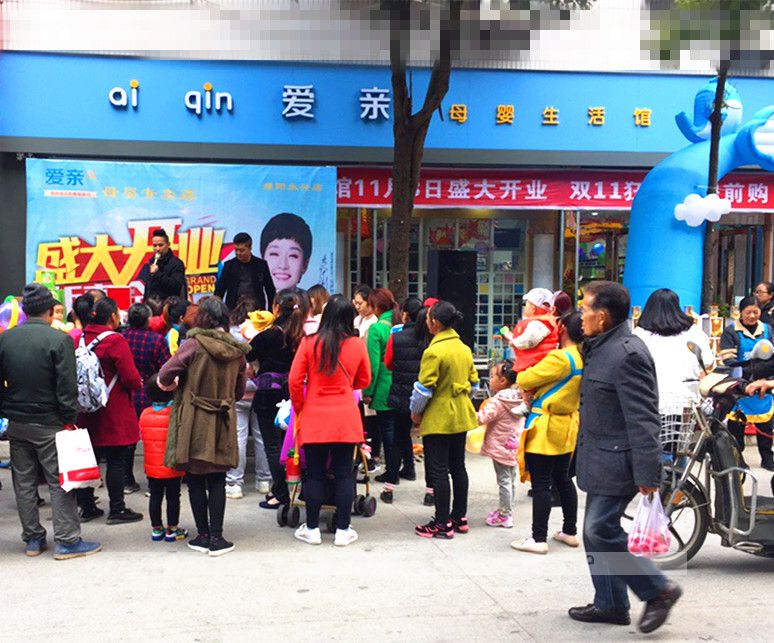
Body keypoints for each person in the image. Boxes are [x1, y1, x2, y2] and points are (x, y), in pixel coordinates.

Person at [569, 281, 681, 634]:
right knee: (594, 533)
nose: (580, 315)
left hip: (620, 460)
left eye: (585, 308)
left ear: (602, 317)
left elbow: (644, 418)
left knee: (599, 529)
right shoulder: (601, 347)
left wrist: (649, 473)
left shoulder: (628, 354)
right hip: (597, 457)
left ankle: (658, 590)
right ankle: (611, 604)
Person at [0, 283, 101, 560]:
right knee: (59, 481)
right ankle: (67, 540)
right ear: (49, 310)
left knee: (23, 482)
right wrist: (68, 418)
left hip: (17, 421)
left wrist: (6, 409)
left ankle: (33, 539)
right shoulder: (59, 340)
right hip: (50, 421)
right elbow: (66, 386)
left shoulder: (6, 339)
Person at [158, 298, 248, 557]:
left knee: (196, 477)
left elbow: (165, 374)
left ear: (202, 319)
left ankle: (203, 535)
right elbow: (239, 392)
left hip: (194, 419)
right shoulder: (238, 351)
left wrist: (177, 384)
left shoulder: (193, 345)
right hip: (223, 419)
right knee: (218, 478)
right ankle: (218, 537)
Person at [289, 295, 372, 546]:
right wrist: (345, 387)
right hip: (345, 417)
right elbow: (364, 379)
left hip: (314, 415)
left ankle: (312, 529)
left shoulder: (309, 343)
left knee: (314, 474)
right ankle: (343, 530)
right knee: (344, 474)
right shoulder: (357, 345)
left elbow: (294, 380)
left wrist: (300, 406)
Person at [511, 311, 584, 554]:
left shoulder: (560, 358)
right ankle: (570, 531)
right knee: (563, 479)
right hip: (566, 427)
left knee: (541, 483)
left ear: (562, 329)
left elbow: (525, 378)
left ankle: (538, 538)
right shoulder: (581, 356)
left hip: (545, 426)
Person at [411, 301, 479, 539]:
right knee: (458, 467)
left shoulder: (434, 351)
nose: (426, 321)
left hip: (439, 416)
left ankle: (441, 523)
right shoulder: (464, 348)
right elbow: (474, 384)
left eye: (428, 318)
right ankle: (459, 517)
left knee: (438, 469)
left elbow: (423, 389)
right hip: (461, 413)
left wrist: (415, 412)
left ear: (436, 323)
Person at [76, 297, 145, 525]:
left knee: (90, 459)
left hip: (85, 409)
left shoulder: (79, 338)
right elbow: (130, 377)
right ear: (113, 316)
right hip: (113, 409)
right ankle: (117, 509)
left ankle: (86, 507)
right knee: (116, 460)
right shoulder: (115, 341)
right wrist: (138, 383)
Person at [246, 289, 307, 509]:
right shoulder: (301, 335)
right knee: (290, 445)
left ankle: (280, 493)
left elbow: (247, 353)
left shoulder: (269, 335)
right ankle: (290, 488)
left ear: (276, 308)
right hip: (293, 393)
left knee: (273, 446)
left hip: (268, 394)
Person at [633, 288, 715, 414]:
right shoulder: (693, 332)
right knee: (683, 427)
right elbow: (707, 361)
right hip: (685, 401)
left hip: (648, 401)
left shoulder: (639, 334)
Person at [385, 298, 432, 504]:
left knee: (398, 440)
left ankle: (389, 487)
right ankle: (430, 492)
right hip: (428, 399)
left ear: (405, 314)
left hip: (402, 396)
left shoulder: (396, 338)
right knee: (430, 445)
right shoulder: (431, 339)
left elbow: (388, 364)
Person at [718, 295, 774, 471]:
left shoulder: (768, 330)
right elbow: (729, 362)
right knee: (736, 428)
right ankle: (738, 461)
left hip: (763, 385)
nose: (752, 316)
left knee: (766, 426)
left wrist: (767, 379)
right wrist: (747, 375)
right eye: (748, 312)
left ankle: (767, 459)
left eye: (755, 312)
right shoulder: (731, 332)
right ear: (740, 312)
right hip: (740, 386)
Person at [226, 296, 272, 499]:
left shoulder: (231, 333)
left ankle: (234, 483)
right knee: (262, 437)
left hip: (238, 389)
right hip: (261, 389)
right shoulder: (265, 332)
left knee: (238, 437)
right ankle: (264, 481)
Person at [123, 302, 172, 494]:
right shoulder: (157, 340)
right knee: (155, 441)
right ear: (148, 319)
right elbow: (166, 369)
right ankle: (154, 482)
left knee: (128, 441)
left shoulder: (121, 339)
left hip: (127, 395)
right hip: (152, 396)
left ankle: (127, 480)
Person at [139, 375, 187, 543]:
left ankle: (156, 529)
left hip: (152, 466)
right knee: (173, 497)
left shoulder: (145, 414)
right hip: (171, 465)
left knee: (155, 496)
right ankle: (172, 530)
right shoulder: (175, 413)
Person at [476, 360, 522, 529]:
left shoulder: (497, 401)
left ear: (502, 381)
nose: (490, 380)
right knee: (511, 479)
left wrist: (469, 414)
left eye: (492, 376)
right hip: (514, 444)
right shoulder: (520, 398)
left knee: (503, 480)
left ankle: (505, 515)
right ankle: (507, 509)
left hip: (500, 446)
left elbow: (482, 418)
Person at [362, 288, 398, 495]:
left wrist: (367, 390)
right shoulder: (399, 323)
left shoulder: (377, 329)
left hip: (384, 387)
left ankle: (391, 474)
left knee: (388, 433)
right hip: (402, 386)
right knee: (399, 433)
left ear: (376, 306)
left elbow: (373, 365)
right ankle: (403, 469)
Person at [214, 232, 276, 311]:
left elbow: (270, 290)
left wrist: (271, 311)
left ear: (250, 248)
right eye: (236, 250)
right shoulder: (229, 265)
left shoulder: (261, 265)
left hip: (257, 309)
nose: (238, 253)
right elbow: (220, 290)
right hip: (233, 309)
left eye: (241, 250)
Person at [260, 213, 313, 291]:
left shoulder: (311, 298)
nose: (283, 265)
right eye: (274, 254)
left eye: (293, 255)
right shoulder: (247, 296)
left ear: (305, 264)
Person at [140, 228, 188, 302]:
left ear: (168, 244)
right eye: (154, 245)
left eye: (161, 245)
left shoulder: (177, 263)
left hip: (169, 305)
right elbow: (148, 288)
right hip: (152, 304)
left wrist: (157, 273)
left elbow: (176, 286)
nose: (157, 249)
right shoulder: (151, 262)